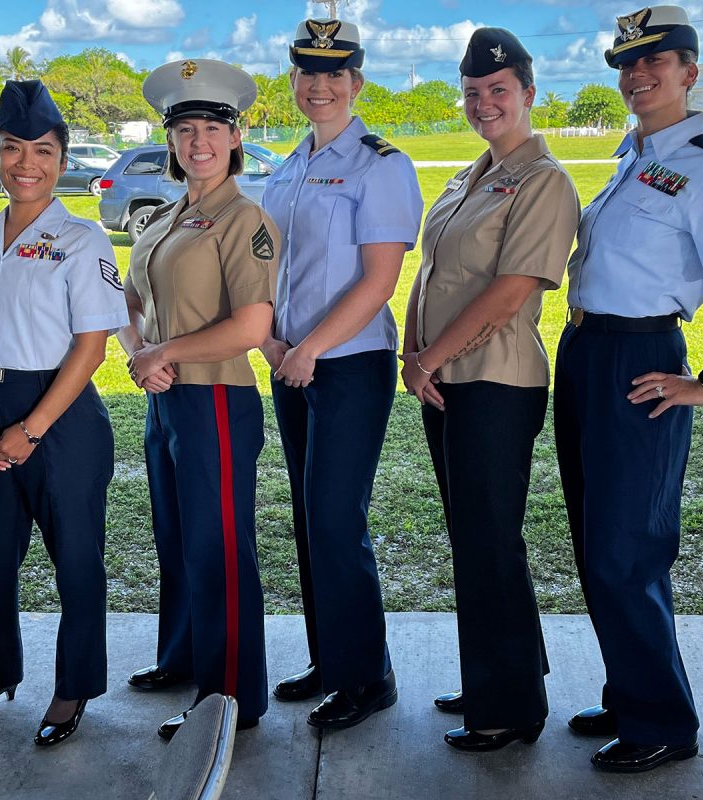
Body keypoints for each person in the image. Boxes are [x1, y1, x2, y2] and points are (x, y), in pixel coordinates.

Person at [556, 5, 703, 773]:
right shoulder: (636, 155)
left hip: (640, 359)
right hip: (587, 354)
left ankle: (662, 723)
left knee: (629, 547)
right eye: (627, 64)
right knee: (598, 540)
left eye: (657, 61)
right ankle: (633, 691)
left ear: (690, 71)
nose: (639, 74)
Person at [400, 28, 580, 752]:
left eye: (498, 91)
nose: (484, 103)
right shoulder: (467, 176)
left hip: (496, 382)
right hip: (449, 381)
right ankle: (506, 675)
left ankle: (508, 709)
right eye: (473, 93)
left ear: (529, 95)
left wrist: (428, 358)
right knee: (476, 538)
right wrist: (417, 354)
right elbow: (434, 272)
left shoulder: (544, 182)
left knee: (488, 542)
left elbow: (510, 293)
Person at [0, 80, 129, 747]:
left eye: (43, 150)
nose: (27, 162)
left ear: (61, 158)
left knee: (76, 557)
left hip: (60, 418)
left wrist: (29, 430)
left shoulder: (82, 241)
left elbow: (91, 346)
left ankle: (74, 684)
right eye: (13, 147)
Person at [259, 16, 424, 731]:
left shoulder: (380, 163)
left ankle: (367, 677)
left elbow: (379, 281)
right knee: (306, 517)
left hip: (349, 364)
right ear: (294, 82)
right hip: (289, 362)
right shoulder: (288, 164)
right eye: (307, 73)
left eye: (334, 74)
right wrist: (271, 341)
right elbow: (272, 266)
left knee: (335, 517)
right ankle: (331, 657)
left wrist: (309, 348)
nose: (319, 85)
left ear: (356, 83)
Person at [120, 58, 278, 739]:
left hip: (215, 400)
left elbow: (252, 326)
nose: (198, 142)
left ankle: (231, 696)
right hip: (166, 399)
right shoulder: (161, 217)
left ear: (237, 136)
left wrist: (166, 354)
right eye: (185, 129)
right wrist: (138, 356)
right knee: (177, 539)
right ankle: (183, 657)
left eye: (213, 127)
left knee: (219, 550)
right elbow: (124, 297)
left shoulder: (245, 220)